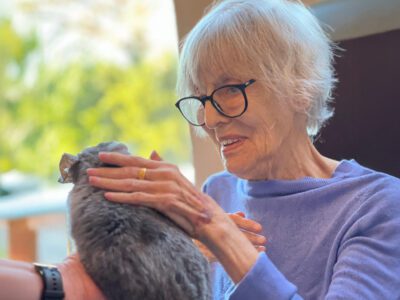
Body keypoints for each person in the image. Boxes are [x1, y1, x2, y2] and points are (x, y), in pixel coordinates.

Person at [1, 0, 400, 299]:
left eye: (228, 91)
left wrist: (220, 232)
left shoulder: (377, 206)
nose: (209, 119)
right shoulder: (217, 192)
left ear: (299, 85)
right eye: (200, 98)